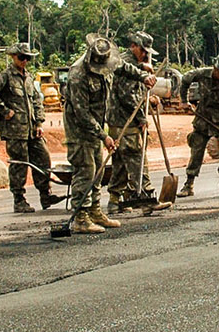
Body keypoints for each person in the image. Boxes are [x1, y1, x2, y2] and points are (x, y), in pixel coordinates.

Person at [63, 34, 154, 234]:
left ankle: (95, 211)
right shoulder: (78, 75)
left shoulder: (109, 60)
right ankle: (81, 217)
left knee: (98, 170)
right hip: (80, 130)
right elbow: (82, 114)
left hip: (96, 126)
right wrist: (104, 136)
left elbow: (123, 67)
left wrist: (143, 75)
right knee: (85, 171)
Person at [0, 42, 65, 213]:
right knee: (19, 164)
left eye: (27, 58)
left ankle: (45, 195)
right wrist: (5, 110)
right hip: (15, 130)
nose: (25, 61)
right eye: (22, 58)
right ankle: (19, 200)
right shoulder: (6, 76)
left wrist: (39, 123)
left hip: (32, 129)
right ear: (14, 57)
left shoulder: (28, 78)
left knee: (42, 159)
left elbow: (36, 101)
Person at [106, 31, 161, 212]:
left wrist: (149, 98)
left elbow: (136, 92)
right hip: (125, 120)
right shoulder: (126, 64)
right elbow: (127, 96)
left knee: (120, 162)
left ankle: (115, 200)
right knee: (137, 156)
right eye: (143, 51)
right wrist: (141, 118)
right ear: (133, 46)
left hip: (118, 120)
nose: (146, 55)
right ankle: (145, 197)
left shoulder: (135, 64)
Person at [178, 54, 219, 198]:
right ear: (215, 69)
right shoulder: (202, 74)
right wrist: (183, 100)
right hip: (203, 117)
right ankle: (189, 184)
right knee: (196, 150)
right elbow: (185, 78)